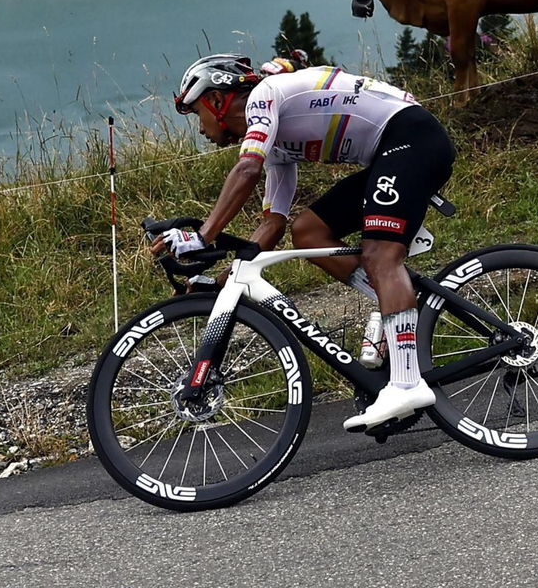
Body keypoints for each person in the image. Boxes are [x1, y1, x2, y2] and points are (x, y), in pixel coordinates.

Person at [155, 52, 456, 432]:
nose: (199, 129)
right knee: (308, 231)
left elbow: (247, 168)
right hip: (394, 149)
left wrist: (202, 236)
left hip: (411, 138)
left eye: (196, 113)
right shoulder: (277, 146)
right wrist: (221, 284)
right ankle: (398, 301)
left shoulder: (265, 96)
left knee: (381, 256)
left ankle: (407, 383)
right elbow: (273, 225)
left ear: (217, 101)